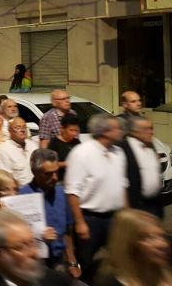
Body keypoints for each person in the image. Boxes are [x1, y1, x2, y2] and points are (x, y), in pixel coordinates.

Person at [65, 114, 128, 283]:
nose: (121, 130)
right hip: (90, 219)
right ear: (104, 131)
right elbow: (72, 191)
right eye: (117, 128)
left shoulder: (119, 153)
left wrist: (127, 215)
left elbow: (123, 185)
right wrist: (79, 222)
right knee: (87, 262)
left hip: (115, 218)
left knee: (119, 259)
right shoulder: (82, 153)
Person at [20, 149, 81, 279]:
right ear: (34, 172)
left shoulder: (60, 192)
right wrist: (38, 236)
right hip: (33, 263)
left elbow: (67, 231)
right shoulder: (21, 197)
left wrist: (72, 261)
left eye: (56, 172)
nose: (55, 178)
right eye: (48, 174)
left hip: (59, 261)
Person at [97, 209, 172, 286]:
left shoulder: (165, 273)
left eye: (161, 236)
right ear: (128, 244)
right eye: (147, 238)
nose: (162, 244)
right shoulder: (111, 283)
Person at [119, 115, 162, 217]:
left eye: (151, 128)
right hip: (137, 207)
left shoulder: (150, 146)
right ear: (134, 131)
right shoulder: (123, 148)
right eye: (146, 129)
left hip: (154, 206)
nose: (151, 132)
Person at [0, 116, 38, 186]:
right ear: (10, 131)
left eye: (24, 127)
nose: (22, 130)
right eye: (18, 127)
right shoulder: (4, 150)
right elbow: (5, 179)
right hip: (19, 192)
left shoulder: (33, 145)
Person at [47, 114, 81, 182]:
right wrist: (66, 163)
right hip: (60, 181)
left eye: (76, 130)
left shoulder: (77, 142)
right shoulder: (54, 143)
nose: (74, 133)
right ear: (62, 129)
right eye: (71, 130)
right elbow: (50, 164)